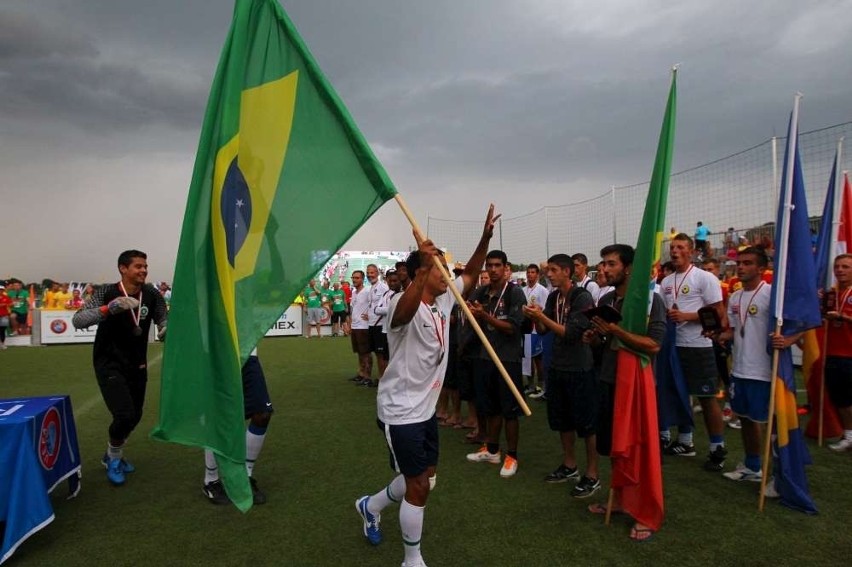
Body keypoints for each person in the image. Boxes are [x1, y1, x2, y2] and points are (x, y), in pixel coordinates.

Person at [355, 205, 497, 567]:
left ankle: (370, 506)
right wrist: (421, 269)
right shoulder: (400, 306)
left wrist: (485, 238)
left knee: (423, 480)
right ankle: (412, 560)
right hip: (400, 411)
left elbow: (473, 273)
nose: (449, 273)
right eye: (441, 268)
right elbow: (402, 314)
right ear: (424, 272)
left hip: (425, 409)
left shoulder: (444, 298)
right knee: (418, 486)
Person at [583, 244, 666, 541]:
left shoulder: (649, 302)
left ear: (629, 268)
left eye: (611, 264)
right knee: (615, 446)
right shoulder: (606, 299)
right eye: (603, 264)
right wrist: (594, 336)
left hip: (637, 388)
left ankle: (644, 510)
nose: (604, 269)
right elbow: (605, 344)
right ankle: (618, 500)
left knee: (638, 447)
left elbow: (654, 345)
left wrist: (617, 332)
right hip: (608, 379)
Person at [72, 250, 167, 486]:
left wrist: (166, 328)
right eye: (138, 266)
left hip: (138, 364)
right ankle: (114, 460)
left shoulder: (152, 293)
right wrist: (107, 309)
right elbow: (78, 319)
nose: (144, 270)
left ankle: (111, 454)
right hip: (109, 363)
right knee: (124, 414)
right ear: (123, 269)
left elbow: (162, 318)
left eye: (145, 266)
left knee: (135, 416)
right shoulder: (106, 291)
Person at [523, 254, 599, 497]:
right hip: (557, 366)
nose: (550, 274)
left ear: (567, 272)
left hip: (579, 368)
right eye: (549, 270)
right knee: (562, 420)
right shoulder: (554, 296)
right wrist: (535, 316)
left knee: (586, 424)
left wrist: (542, 317)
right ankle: (569, 465)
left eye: (554, 270)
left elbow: (571, 333)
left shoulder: (582, 296)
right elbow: (545, 329)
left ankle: (592, 474)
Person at [707, 248, 782, 481]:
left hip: (764, 370)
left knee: (772, 425)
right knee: (746, 420)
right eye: (739, 263)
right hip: (739, 369)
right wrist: (718, 336)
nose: (740, 267)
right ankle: (752, 466)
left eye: (747, 263)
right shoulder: (736, 296)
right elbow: (733, 332)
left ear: (761, 268)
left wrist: (788, 339)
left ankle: (779, 475)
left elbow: (793, 327)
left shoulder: (771, 295)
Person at [659, 234, 728, 472]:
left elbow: (717, 311)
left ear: (691, 251)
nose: (675, 251)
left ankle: (717, 447)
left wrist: (686, 316)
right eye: (673, 247)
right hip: (673, 346)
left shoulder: (704, 277)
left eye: (680, 247)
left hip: (698, 346)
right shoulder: (666, 282)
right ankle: (685, 441)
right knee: (678, 394)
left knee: (706, 399)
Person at [464, 250, 527, 478]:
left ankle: (512, 455)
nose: (492, 269)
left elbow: (512, 327)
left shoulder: (514, 292)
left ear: (505, 267)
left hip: (507, 358)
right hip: (484, 357)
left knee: (509, 410)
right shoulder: (482, 291)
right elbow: (469, 308)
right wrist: (471, 312)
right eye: (489, 265)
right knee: (489, 407)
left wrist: (485, 317)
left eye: (497, 265)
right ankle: (492, 449)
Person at [203, 348, 273, 505]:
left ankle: (245, 476)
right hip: (217, 356)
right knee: (219, 418)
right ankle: (211, 481)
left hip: (248, 353)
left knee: (262, 414)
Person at [824, 253, 852, 451]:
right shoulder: (832, 294)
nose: (840, 270)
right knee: (840, 397)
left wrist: (842, 316)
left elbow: (842, 317)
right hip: (833, 352)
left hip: (850, 354)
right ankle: (849, 435)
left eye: (845, 267)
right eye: (838, 266)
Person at [522, 263, 550, 398]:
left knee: (538, 358)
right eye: (528, 272)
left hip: (536, 328)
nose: (530, 275)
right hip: (526, 328)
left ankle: (541, 386)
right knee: (527, 357)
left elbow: (545, 309)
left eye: (533, 272)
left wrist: (536, 312)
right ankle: (530, 385)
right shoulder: (523, 289)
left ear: (537, 275)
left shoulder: (542, 290)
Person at [367, 264, 390, 381]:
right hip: (371, 325)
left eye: (372, 272)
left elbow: (386, 306)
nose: (369, 275)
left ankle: (383, 379)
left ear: (377, 273)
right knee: (377, 353)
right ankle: (380, 377)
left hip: (380, 326)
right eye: (368, 273)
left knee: (381, 355)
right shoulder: (371, 287)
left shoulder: (383, 287)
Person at [349, 270, 373, 385]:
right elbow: (352, 308)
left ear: (362, 279)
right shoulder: (354, 292)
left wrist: (371, 314)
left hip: (364, 326)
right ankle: (361, 374)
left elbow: (375, 303)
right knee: (359, 352)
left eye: (357, 278)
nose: (354, 280)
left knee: (366, 353)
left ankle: (368, 377)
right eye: (353, 277)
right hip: (355, 326)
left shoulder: (368, 290)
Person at [0, 285, 12, 349]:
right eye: (0, 290)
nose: (0, 291)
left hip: (4, 315)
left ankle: (2, 343)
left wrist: (6, 304)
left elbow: (10, 303)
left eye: (1, 290)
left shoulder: (6, 297)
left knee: (3, 330)